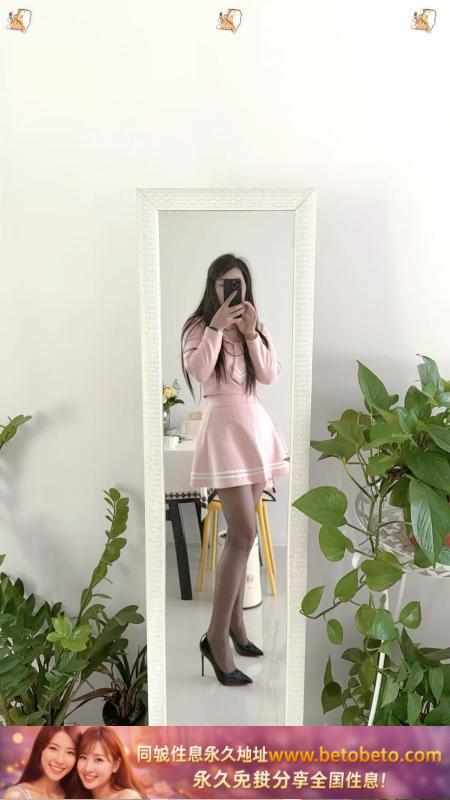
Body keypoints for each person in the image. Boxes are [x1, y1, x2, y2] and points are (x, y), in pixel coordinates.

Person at [181, 253, 289, 686]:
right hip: (224, 433)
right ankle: (215, 637)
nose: (233, 291)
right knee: (243, 534)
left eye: (239, 284)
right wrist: (216, 327)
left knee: (245, 537)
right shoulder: (198, 327)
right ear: (213, 287)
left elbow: (270, 375)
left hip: (255, 430)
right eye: (225, 284)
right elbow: (198, 371)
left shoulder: (254, 327)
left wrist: (251, 333)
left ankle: (236, 627)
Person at [4, 727, 80, 799]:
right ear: (40, 749)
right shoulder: (18, 795)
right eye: (53, 748)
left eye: (70, 752)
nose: (60, 760)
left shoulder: (75, 795)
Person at [76, 727, 144, 799]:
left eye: (99, 759)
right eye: (83, 757)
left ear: (116, 765)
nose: (87, 768)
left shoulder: (127, 796)